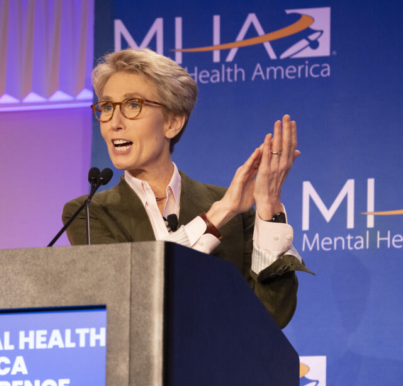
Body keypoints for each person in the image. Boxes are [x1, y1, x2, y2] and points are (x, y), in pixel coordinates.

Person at [62, 48, 313, 329]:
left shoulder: (236, 212)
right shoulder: (88, 213)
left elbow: (272, 314)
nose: (114, 123)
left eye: (133, 105)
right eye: (107, 107)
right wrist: (218, 215)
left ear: (173, 122)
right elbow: (130, 291)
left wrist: (268, 207)